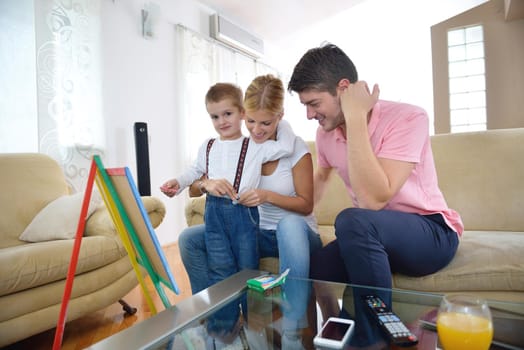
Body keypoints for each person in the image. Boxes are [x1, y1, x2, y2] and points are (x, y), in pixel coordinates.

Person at [287, 43, 463, 347]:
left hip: (430, 233)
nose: (308, 114)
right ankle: (338, 328)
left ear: (344, 90)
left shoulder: (409, 118)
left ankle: (374, 341)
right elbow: (319, 182)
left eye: (314, 103)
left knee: (353, 220)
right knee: (316, 264)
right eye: (305, 105)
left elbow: (373, 201)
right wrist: (281, 211)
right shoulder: (325, 133)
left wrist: (356, 119)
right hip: (375, 239)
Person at [178, 74, 322, 347]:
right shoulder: (240, 147)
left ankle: (292, 330)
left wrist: (267, 195)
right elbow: (193, 187)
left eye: (266, 123)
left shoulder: (294, 148)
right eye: (251, 121)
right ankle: (212, 316)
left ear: (280, 115)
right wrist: (207, 183)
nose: (256, 130)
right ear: (244, 114)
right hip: (253, 232)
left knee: (288, 224)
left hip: (298, 236)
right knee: (189, 240)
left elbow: (305, 205)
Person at [160, 82, 295, 337]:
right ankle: (223, 328)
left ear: (243, 113)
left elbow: (286, 146)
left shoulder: (256, 145)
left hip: (243, 216)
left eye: (228, 114)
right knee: (220, 270)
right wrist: (177, 183)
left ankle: (254, 327)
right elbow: (194, 172)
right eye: (215, 116)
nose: (221, 121)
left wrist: (281, 119)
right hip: (214, 216)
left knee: (247, 270)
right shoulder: (208, 146)